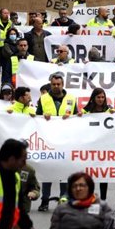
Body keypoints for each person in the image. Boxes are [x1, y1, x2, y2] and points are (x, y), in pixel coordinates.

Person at [36, 73, 79, 211]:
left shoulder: (71, 99)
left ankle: (63, 200)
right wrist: (43, 116)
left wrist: (73, 117)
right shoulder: (43, 99)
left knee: (63, 173)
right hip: (49, 141)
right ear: (51, 84)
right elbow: (36, 118)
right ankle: (45, 201)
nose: (56, 86)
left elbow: (78, 117)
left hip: (66, 141)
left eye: (58, 84)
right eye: (53, 84)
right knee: (47, 173)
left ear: (62, 84)